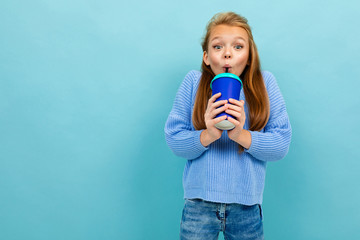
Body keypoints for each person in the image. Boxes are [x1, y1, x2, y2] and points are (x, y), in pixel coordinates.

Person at [164, 11, 292, 240]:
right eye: (218, 47)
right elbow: (174, 139)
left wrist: (241, 134)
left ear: (250, 56)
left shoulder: (265, 84)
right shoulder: (193, 82)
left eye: (238, 47)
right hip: (198, 205)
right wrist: (208, 134)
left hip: (247, 207)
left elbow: (281, 144)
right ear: (206, 57)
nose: (227, 54)